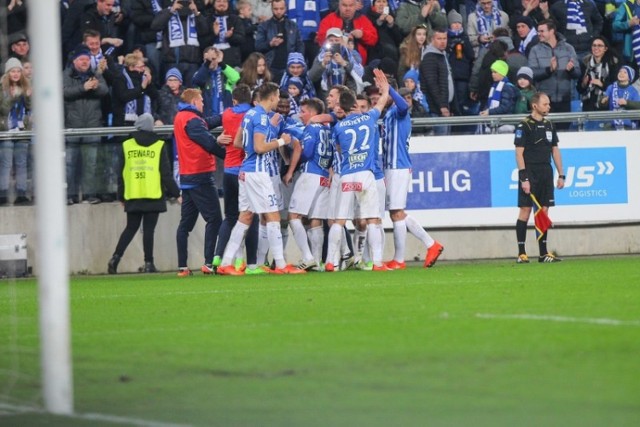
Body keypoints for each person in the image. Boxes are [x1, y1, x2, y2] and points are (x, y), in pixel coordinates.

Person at [216, 82, 306, 275]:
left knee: (245, 217)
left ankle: (225, 263)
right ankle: (281, 265)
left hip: (245, 172)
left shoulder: (248, 114)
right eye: (277, 98)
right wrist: (282, 141)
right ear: (272, 96)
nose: (278, 101)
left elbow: (238, 142)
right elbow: (259, 147)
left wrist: (254, 148)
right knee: (272, 216)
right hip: (258, 173)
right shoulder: (262, 117)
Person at [325, 69, 391, 272]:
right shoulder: (369, 117)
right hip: (366, 173)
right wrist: (385, 89)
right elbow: (382, 102)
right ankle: (377, 263)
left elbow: (338, 149)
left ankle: (330, 261)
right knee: (372, 219)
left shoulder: (339, 127)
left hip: (347, 174)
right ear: (354, 104)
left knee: (339, 220)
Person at [381, 79, 444, 270]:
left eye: (409, 97)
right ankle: (431, 245)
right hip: (392, 166)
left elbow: (401, 105)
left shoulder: (400, 113)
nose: (407, 100)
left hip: (398, 166)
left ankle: (400, 259)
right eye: (404, 96)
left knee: (397, 212)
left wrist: (390, 90)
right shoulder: (390, 113)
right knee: (396, 213)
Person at [107, 114, 181, 274]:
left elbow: (120, 173)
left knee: (130, 228)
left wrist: (121, 195)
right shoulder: (159, 145)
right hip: (153, 193)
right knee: (149, 230)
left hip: (133, 193)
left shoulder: (127, 145)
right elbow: (165, 174)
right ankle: (149, 263)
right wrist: (177, 193)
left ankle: (115, 258)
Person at [174, 88, 227, 277]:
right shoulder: (192, 120)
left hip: (187, 178)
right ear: (195, 101)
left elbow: (206, 124)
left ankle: (183, 267)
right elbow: (208, 143)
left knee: (185, 225)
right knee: (214, 219)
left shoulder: (183, 117)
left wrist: (224, 116)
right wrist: (230, 157)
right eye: (202, 100)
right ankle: (208, 262)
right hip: (200, 175)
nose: (203, 103)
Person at [211, 84, 263, 275]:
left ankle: (217, 257)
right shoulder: (252, 114)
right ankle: (250, 264)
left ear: (233, 100)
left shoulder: (226, 114)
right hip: (245, 172)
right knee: (252, 217)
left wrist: (216, 139)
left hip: (228, 171)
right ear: (250, 99)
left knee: (231, 217)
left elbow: (208, 124)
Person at [514, 91, 565, 264]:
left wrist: (561, 174)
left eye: (549, 104)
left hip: (546, 172)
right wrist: (524, 178)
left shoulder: (550, 125)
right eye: (545, 104)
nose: (548, 107)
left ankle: (543, 253)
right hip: (530, 172)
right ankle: (522, 253)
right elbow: (519, 154)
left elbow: (555, 150)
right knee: (525, 210)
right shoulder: (524, 126)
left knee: (543, 211)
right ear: (535, 106)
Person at [287, 98, 334, 270]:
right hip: (323, 177)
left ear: (314, 114)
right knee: (315, 220)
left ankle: (307, 258)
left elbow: (306, 152)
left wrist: (295, 147)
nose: (300, 115)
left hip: (310, 174)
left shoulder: (311, 127)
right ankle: (317, 261)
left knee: (293, 216)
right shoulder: (327, 130)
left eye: (304, 111)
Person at [63, 45, 110, 205]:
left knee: (91, 163)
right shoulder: (66, 75)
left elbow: (104, 91)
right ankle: (69, 195)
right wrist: (83, 88)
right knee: (70, 164)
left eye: (87, 59)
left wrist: (95, 87)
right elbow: (64, 92)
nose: (85, 62)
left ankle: (90, 194)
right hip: (72, 125)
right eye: (82, 59)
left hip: (93, 125)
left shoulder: (95, 74)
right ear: (75, 61)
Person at [528, 19, 581, 125]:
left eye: (542, 31)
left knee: (564, 134)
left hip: (565, 100)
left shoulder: (568, 48)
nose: (539, 34)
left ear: (552, 31)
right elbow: (532, 74)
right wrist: (549, 70)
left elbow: (578, 74)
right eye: (538, 31)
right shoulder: (535, 50)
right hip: (544, 101)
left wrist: (571, 70)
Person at [0, 57, 31, 206]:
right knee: (5, 163)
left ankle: (22, 193)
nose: (16, 74)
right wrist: (12, 98)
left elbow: (30, 108)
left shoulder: (26, 86)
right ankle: (3, 193)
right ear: (8, 73)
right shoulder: (1, 88)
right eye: (13, 71)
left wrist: (29, 96)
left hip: (22, 130)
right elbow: (3, 110)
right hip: (6, 130)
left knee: (21, 162)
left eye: (18, 71)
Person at [254, 0, 304, 82]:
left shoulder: (293, 25)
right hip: (270, 67)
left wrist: (297, 62)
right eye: (276, 9)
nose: (279, 11)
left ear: (286, 8)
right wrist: (270, 44)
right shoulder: (264, 26)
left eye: (281, 8)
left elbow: (299, 45)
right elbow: (258, 46)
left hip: (289, 67)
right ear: (271, 9)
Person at [317, 0, 378, 65]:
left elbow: (374, 39)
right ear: (339, 6)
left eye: (351, 5)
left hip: (358, 63)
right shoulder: (329, 19)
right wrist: (337, 39)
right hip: (332, 61)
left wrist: (362, 34)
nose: (348, 8)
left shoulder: (363, 20)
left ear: (355, 6)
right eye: (344, 5)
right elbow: (320, 39)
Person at [420, 28, 456, 136]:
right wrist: (442, 106)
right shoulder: (430, 57)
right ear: (432, 39)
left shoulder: (442, 55)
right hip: (436, 110)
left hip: (444, 107)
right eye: (439, 38)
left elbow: (447, 82)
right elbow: (432, 84)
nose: (442, 41)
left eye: (444, 38)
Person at [600, 65, 640, 130]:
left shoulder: (633, 91)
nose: (621, 74)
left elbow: (638, 106)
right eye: (620, 71)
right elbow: (602, 104)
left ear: (629, 77)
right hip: (612, 125)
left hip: (627, 126)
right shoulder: (611, 87)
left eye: (625, 72)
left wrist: (627, 103)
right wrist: (603, 101)